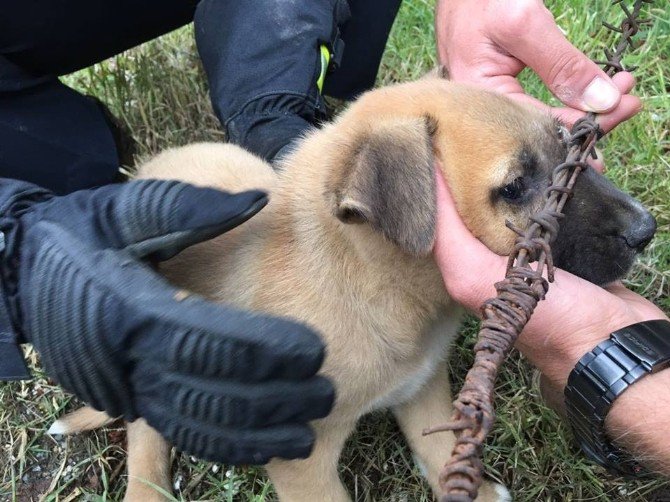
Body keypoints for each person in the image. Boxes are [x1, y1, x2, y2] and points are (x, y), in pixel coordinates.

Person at [0, 0, 658, 472]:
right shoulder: (332, 330)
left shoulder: (417, 273)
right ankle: (145, 459)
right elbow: (301, 452)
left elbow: (422, 370)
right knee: (80, 173)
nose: (635, 223)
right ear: (395, 202)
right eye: (519, 186)